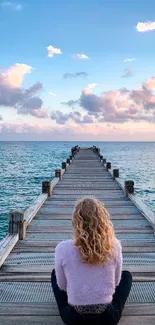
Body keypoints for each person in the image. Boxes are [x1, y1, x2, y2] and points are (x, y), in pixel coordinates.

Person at [51, 198, 132, 325]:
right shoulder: (114, 245)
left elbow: (62, 286)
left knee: (54, 273)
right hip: (107, 318)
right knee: (126, 276)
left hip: (74, 319)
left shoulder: (62, 248)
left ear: (76, 222)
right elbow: (116, 283)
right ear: (103, 221)